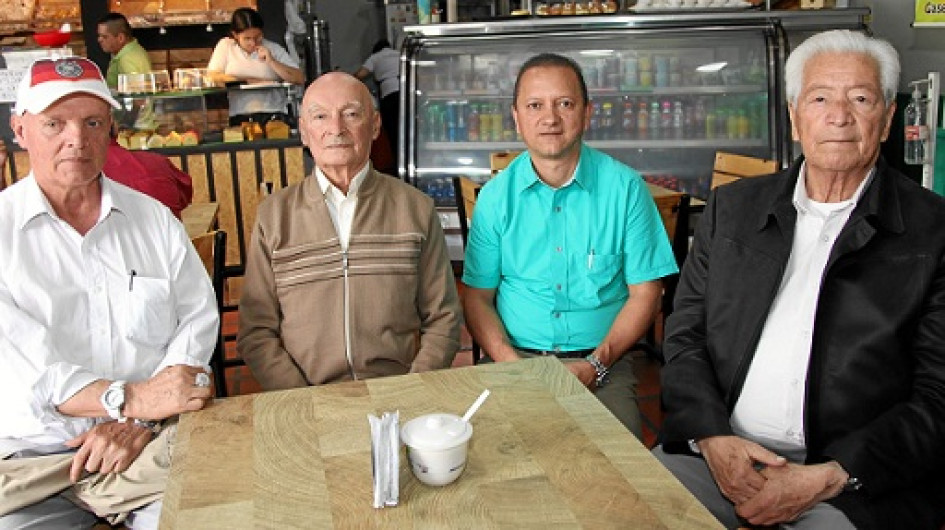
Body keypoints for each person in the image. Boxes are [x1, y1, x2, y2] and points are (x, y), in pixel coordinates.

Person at [654, 30, 945, 529]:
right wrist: (711, 438)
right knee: (629, 510)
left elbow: (938, 395)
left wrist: (833, 475)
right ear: (794, 117)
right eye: (819, 98)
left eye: (860, 98)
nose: (839, 116)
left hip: (855, 479)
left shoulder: (933, 230)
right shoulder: (734, 209)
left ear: (887, 119)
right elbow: (686, 336)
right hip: (718, 454)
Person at [0, 57, 218, 528]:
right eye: (54, 123)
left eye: (92, 122)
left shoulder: (154, 220)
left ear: (111, 131)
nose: (75, 139)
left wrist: (137, 421)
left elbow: (197, 321)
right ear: (20, 130)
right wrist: (132, 400)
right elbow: (34, 374)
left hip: (149, 442)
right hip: (34, 455)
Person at [461, 53, 678, 439]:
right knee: (500, 466)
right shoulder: (495, 198)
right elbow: (477, 298)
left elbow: (647, 293)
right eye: (535, 105)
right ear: (516, 117)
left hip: (602, 363)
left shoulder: (625, 189)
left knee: (620, 475)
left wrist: (596, 365)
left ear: (587, 113)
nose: (550, 118)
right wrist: (514, 366)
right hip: (517, 359)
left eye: (565, 103)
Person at [237, 72, 461, 389]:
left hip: (398, 392)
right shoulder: (275, 216)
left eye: (351, 114)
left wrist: (412, 390)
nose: (336, 129)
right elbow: (256, 331)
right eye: (320, 116)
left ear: (375, 125)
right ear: (303, 131)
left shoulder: (415, 209)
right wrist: (301, 399)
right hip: (306, 399)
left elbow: (444, 318)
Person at [207, 7, 305, 126]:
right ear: (235, 35)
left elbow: (299, 78)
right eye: (247, 38)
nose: (253, 43)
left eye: (257, 37)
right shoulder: (227, 46)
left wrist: (272, 61)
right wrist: (245, 81)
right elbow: (213, 76)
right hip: (241, 114)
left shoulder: (273, 48)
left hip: (274, 114)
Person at [103, 138, 193, 219]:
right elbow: (185, 195)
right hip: (167, 235)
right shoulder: (157, 163)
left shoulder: (94, 175)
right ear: (114, 127)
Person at [355, 39, 401, 170]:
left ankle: (396, 163)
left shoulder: (376, 57)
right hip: (406, 93)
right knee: (405, 128)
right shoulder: (399, 54)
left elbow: (360, 74)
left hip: (389, 95)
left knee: (392, 130)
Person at [97, 13, 152, 90]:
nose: (99, 40)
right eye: (99, 36)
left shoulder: (126, 60)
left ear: (120, 38)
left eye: (105, 37)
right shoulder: (136, 50)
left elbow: (135, 94)